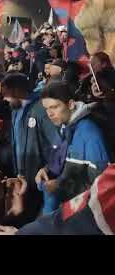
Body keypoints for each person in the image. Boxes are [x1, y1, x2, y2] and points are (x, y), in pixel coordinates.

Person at [36, 81, 110, 213]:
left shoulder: (89, 132)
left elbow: (101, 184)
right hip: (66, 209)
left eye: (54, 107)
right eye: (46, 108)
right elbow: (63, 160)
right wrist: (47, 170)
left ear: (70, 104)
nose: (49, 114)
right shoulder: (66, 127)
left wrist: (60, 185)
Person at [1, 72, 58, 222]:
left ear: (17, 91)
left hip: (40, 182)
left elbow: (57, 145)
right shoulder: (15, 110)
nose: (4, 98)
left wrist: (48, 169)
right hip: (23, 180)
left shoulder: (41, 109)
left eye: (6, 93)